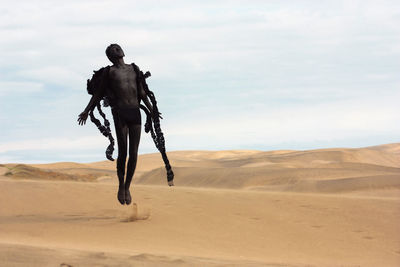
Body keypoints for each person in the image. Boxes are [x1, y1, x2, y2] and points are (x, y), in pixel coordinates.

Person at [78, 44, 154, 205]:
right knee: (123, 153)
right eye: (112, 49)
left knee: (134, 153)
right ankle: (121, 186)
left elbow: (141, 92)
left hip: (135, 113)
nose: (116, 49)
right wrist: (86, 110)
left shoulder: (134, 68)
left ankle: (127, 187)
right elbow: (98, 94)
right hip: (120, 113)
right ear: (110, 56)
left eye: (117, 47)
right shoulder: (109, 72)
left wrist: (152, 109)